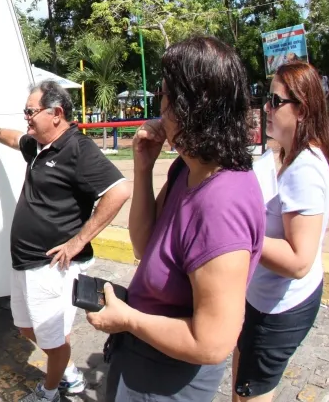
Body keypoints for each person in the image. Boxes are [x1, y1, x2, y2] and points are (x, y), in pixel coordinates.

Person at [85, 36, 266, 402]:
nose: (159, 105)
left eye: (164, 95)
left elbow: (212, 343)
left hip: (166, 382)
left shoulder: (221, 204)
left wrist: (128, 320)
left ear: (190, 106)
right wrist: (142, 167)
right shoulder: (188, 167)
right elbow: (142, 244)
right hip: (142, 359)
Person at [0, 80, 130, 402]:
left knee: (53, 340)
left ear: (56, 113)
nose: (26, 117)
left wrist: (77, 242)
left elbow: (120, 191)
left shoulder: (78, 149)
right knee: (27, 328)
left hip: (52, 267)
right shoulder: (40, 145)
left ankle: (51, 391)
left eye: (30, 111)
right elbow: (15, 139)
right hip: (26, 263)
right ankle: (66, 370)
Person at [233, 62, 329, 401]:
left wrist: (239, 232)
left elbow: (298, 261)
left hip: (279, 309)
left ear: (302, 109)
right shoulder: (286, 155)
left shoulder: (304, 168)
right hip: (262, 298)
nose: (266, 108)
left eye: (275, 102)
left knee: (248, 393)